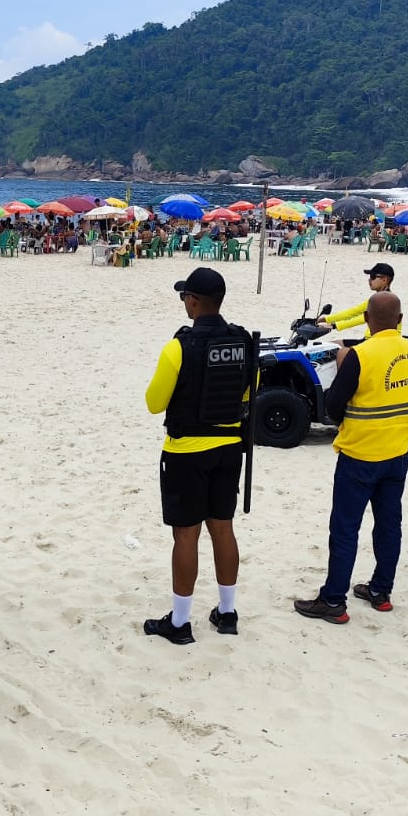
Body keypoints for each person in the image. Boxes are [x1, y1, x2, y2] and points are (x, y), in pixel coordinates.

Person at [293, 293, 408, 620]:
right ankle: (381, 590)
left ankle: (334, 600)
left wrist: (339, 368)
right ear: (401, 318)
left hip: (360, 453)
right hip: (399, 453)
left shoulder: (358, 356)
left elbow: (333, 407)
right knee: (389, 524)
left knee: (345, 528)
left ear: (367, 320)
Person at [142, 268, 253, 643]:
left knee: (185, 536)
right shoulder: (242, 341)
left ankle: (179, 622)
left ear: (192, 301)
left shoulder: (180, 346)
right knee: (223, 528)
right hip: (229, 448)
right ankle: (227, 612)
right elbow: (247, 395)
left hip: (186, 451)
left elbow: (154, 404)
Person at [321, 263, 394, 333]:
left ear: (384, 280)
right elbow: (352, 312)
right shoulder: (376, 298)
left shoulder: (385, 301)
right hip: (372, 339)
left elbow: (363, 318)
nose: (369, 280)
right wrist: (326, 319)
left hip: (377, 341)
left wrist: (334, 325)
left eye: (373, 276)